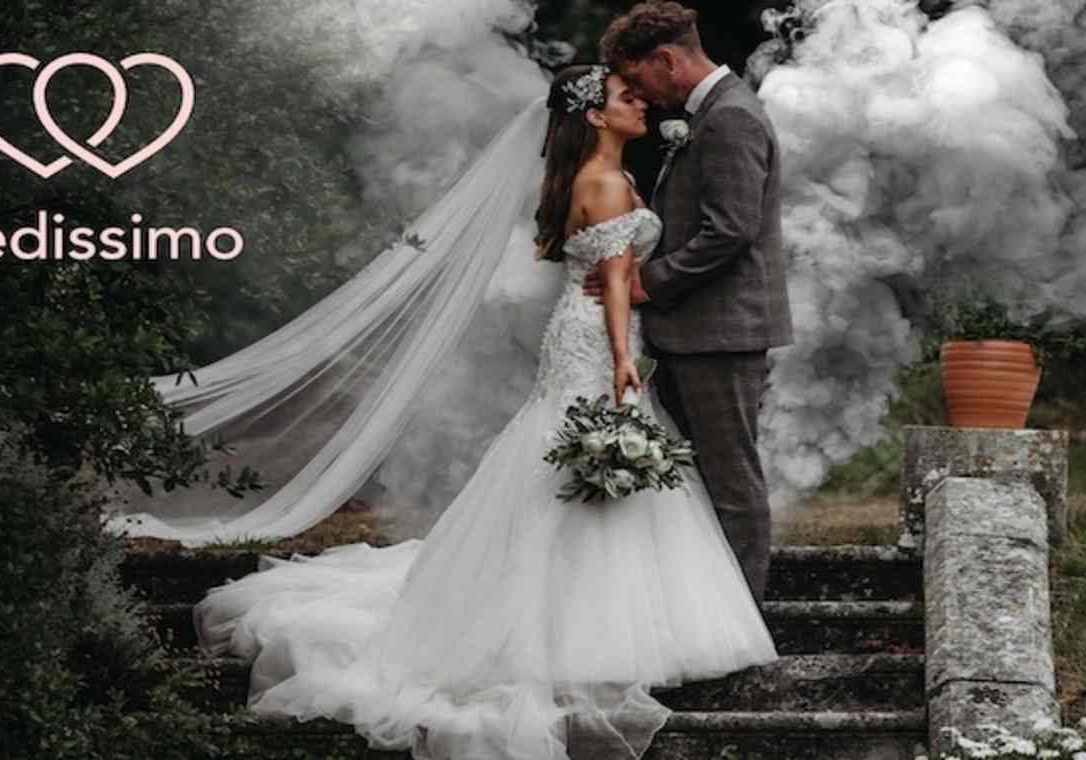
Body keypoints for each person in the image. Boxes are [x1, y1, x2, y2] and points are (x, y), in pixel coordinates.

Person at [192, 64, 777, 760]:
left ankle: (572, 612)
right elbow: (616, 282)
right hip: (597, 338)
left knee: (570, 459)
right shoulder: (605, 181)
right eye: (626, 98)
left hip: (584, 332)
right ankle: (572, 626)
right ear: (595, 115)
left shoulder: (596, 176)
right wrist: (625, 358)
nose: (641, 104)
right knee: (585, 461)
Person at [588, 1, 794, 602]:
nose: (641, 95)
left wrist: (646, 283)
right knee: (698, 483)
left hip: (720, 335)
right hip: (697, 332)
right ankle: (704, 610)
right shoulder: (711, 115)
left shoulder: (730, 117)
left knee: (730, 484)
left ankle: (743, 621)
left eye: (639, 78)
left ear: (667, 60)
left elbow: (730, 230)